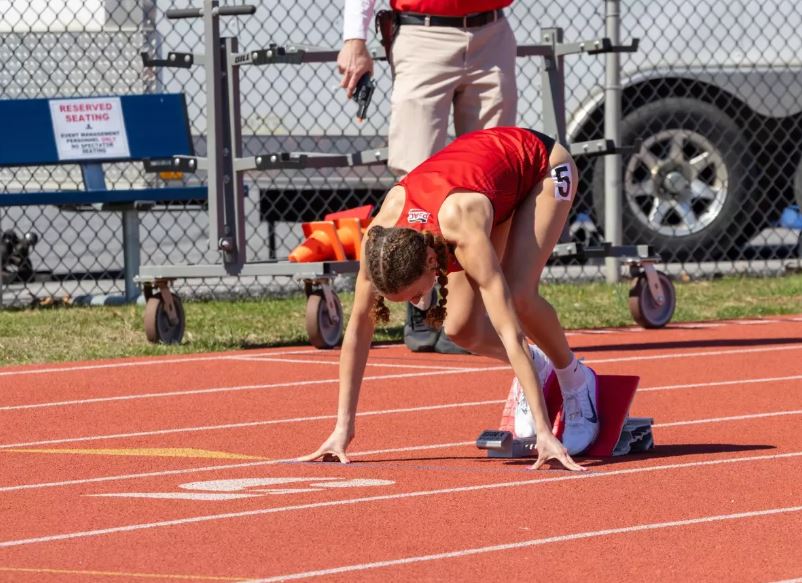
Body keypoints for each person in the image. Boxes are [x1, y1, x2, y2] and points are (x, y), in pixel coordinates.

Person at [299, 126, 600, 471]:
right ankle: (538, 369)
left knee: (517, 295)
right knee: (460, 329)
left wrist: (545, 431)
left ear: (432, 262)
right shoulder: (378, 240)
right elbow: (357, 331)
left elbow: (509, 332)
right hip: (490, 183)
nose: (415, 304)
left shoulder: (461, 229)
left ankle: (575, 380)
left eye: (414, 294)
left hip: (541, 166)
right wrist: (342, 428)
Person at [339, 0, 518, 353]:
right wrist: (354, 38)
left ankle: (470, 315)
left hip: (491, 32)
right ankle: (420, 300)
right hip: (423, 30)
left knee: (491, 180)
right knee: (416, 178)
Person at [338, 0, 518, 178]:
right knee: (416, 168)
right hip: (422, 34)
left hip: (492, 34)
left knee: (492, 168)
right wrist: (355, 41)